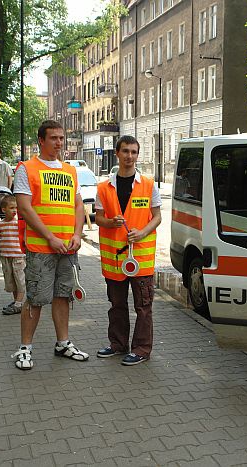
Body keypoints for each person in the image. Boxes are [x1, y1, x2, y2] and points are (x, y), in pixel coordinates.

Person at [10, 120, 88, 370]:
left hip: (67, 248)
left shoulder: (70, 170)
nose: (59, 143)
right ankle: (25, 348)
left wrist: (78, 234)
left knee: (63, 296)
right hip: (42, 249)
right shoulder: (27, 168)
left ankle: (62, 343)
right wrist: (50, 238)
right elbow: (24, 207)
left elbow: (78, 206)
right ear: (41, 141)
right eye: (53, 138)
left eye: (62, 138)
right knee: (34, 298)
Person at [95, 135, 162, 366]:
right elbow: (98, 217)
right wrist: (109, 222)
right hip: (114, 258)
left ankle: (142, 349)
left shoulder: (149, 184)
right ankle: (118, 344)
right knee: (117, 305)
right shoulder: (104, 187)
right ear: (117, 153)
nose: (129, 156)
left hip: (140, 257)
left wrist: (143, 232)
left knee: (143, 306)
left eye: (133, 152)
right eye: (125, 151)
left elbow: (157, 217)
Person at [0, 195, 26, 316]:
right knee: (11, 281)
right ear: (4, 209)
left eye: (16, 208)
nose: (14, 210)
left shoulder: (19, 223)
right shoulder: (0, 224)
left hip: (18, 257)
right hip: (6, 257)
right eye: (11, 208)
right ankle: (16, 301)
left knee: (20, 280)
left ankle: (19, 304)